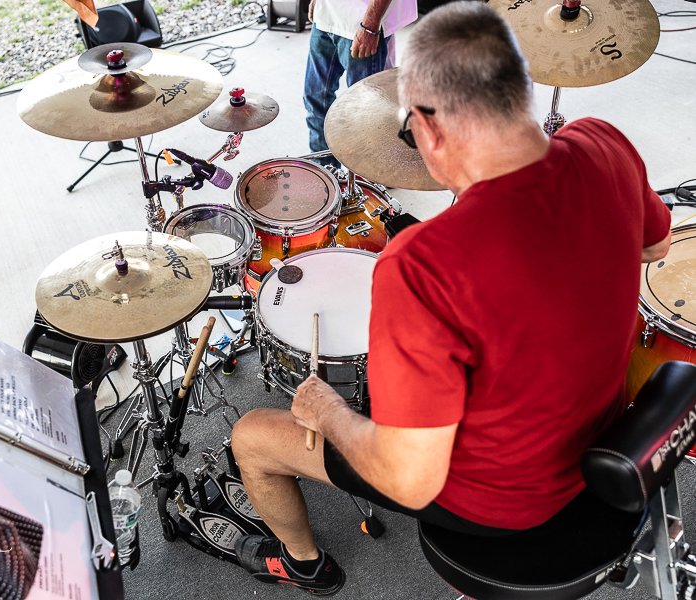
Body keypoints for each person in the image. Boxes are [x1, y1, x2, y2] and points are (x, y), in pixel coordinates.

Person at [232, 1, 672, 595]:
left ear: (430, 130)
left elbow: (409, 480)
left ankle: (304, 564)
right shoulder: (604, 143)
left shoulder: (422, 266)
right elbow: (655, 245)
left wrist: (328, 411)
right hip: (604, 432)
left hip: (504, 504)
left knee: (253, 437)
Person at [304, 0, 417, 164]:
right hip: (326, 14)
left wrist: (370, 25)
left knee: (365, 116)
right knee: (315, 98)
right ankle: (325, 169)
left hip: (361, 21)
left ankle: (364, 174)